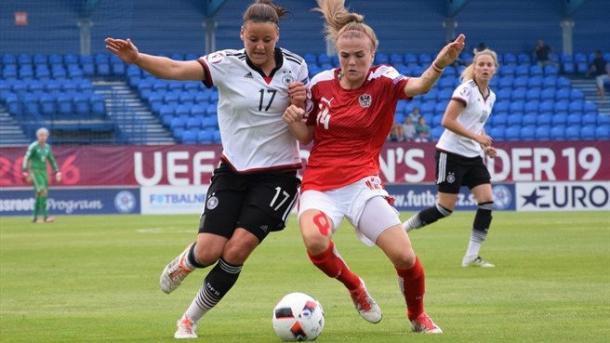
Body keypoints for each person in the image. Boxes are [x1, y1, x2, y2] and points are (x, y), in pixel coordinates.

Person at [106, 0, 308, 339]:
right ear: (242, 34)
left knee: (237, 249)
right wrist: (138, 59)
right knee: (210, 250)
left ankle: (188, 319)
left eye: (267, 40)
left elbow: (305, 125)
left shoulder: (298, 68)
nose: (259, 46)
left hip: (279, 174)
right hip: (233, 171)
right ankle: (186, 262)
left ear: (277, 37)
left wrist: (300, 105)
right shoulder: (225, 63)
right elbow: (174, 69)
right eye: (253, 39)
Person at [282, 0, 465, 334]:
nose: (352, 62)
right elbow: (307, 135)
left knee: (405, 258)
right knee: (315, 242)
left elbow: (419, 86)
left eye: (359, 56)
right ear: (338, 54)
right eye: (345, 56)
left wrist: (440, 63)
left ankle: (417, 316)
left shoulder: (384, 81)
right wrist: (294, 118)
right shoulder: (321, 85)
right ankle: (356, 287)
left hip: (362, 186)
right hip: (319, 186)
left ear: (372, 53)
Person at [402, 49, 499, 268]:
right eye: (480, 64)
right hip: (451, 153)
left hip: (472, 155)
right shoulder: (465, 90)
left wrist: (484, 146)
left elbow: (476, 126)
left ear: (494, 69)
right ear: (474, 68)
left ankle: (471, 256)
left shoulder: (491, 96)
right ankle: (401, 230)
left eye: (488, 65)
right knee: (445, 208)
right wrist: (476, 137)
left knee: (487, 202)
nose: (484, 68)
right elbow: (447, 120)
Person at [22, 127, 61, 223]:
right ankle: (46, 217)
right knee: (42, 191)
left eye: (44, 135)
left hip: (44, 172)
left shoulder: (47, 147)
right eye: (41, 135)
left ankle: (35, 217)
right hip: (35, 171)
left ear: (47, 136)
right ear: (37, 136)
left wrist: (57, 171)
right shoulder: (33, 146)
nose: (43, 137)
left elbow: (52, 160)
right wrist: (24, 170)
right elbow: (26, 158)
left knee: (41, 194)